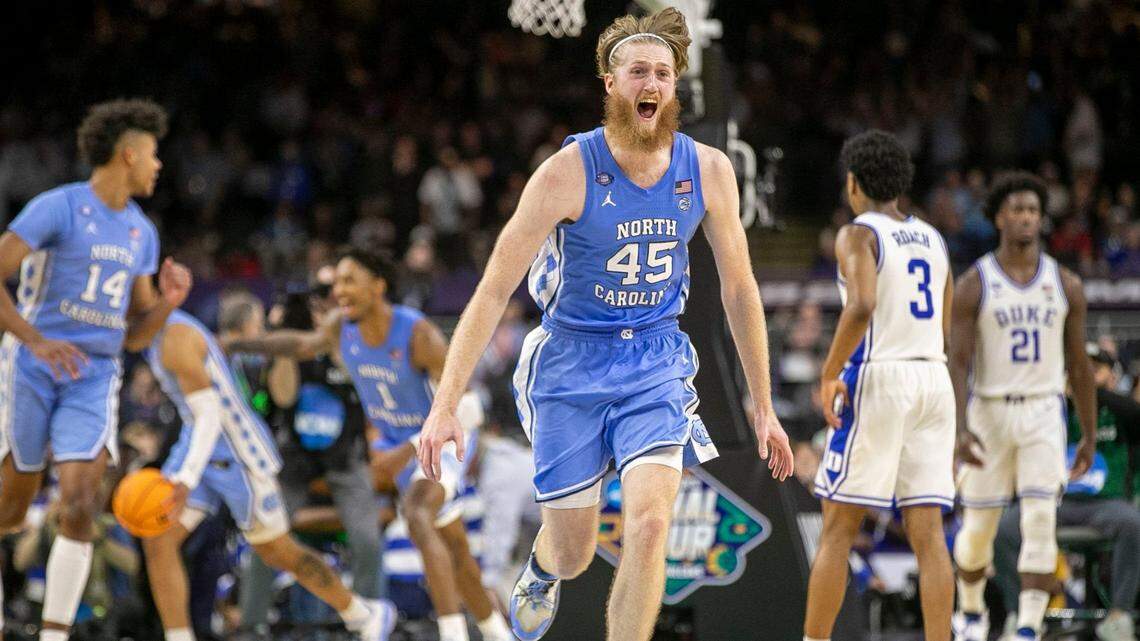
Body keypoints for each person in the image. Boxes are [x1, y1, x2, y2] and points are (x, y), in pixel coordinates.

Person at [415, 8, 794, 641]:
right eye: (638, 71)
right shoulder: (566, 172)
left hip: (655, 358)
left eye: (663, 73)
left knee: (650, 525)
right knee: (576, 553)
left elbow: (739, 286)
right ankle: (542, 565)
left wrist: (764, 403)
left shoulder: (708, 170)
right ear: (612, 85)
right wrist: (445, 404)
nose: (651, 82)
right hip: (570, 361)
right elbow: (491, 291)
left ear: (675, 88)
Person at [225, 249, 511, 641]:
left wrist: (408, 448)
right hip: (402, 446)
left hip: (442, 438)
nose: (339, 291)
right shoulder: (341, 327)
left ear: (378, 285)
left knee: (417, 514)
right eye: (336, 282)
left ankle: (452, 633)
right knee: (457, 553)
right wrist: (243, 345)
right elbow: (302, 345)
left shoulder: (418, 334)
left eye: (349, 280)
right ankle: (498, 634)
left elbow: (468, 407)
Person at [0, 99, 192, 641]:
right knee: (11, 510)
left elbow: (136, 334)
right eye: (153, 155)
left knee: (82, 504)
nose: (158, 166)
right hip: (31, 368)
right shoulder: (57, 208)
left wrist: (169, 302)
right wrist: (35, 341)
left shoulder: (142, 234)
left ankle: (54, 634)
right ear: (128, 154)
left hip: (94, 376)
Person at [140, 305, 396, 641]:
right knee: (158, 537)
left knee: (276, 549)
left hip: (241, 449)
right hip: (200, 443)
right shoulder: (141, 332)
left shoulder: (178, 335)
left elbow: (271, 396)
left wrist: (184, 479)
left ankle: (361, 612)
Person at [805, 130, 956, 641]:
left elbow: (863, 304)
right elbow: (946, 329)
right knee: (930, 537)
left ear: (853, 183)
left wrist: (829, 372)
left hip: (881, 376)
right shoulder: (934, 239)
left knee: (839, 528)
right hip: (933, 378)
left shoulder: (858, 234)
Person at [950, 170, 1097, 641]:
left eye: (1033, 210)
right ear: (998, 217)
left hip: (1043, 410)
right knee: (977, 530)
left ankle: (1029, 627)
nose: (1026, 218)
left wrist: (1089, 433)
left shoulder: (1066, 283)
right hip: (989, 411)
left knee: (1039, 520)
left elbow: (1079, 365)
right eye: (1017, 210)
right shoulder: (975, 282)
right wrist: (958, 428)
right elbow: (958, 363)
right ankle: (971, 610)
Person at [240, 282, 386, 627]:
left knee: (368, 540)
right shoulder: (293, 345)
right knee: (266, 537)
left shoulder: (355, 339)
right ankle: (251, 625)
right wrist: (287, 344)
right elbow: (284, 397)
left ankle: (371, 621)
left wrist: (331, 337)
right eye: (318, 305)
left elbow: (362, 384)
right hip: (294, 460)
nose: (324, 311)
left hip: (345, 459)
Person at [990, 343, 1140, 641]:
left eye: (1095, 369)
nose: (1083, 375)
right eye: (1076, 369)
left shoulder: (1122, 412)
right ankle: (1020, 615)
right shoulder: (1051, 409)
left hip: (1105, 505)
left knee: (1134, 524)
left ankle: (1120, 615)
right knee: (1006, 528)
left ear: (1111, 376)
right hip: (1054, 503)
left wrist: (1090, 391)